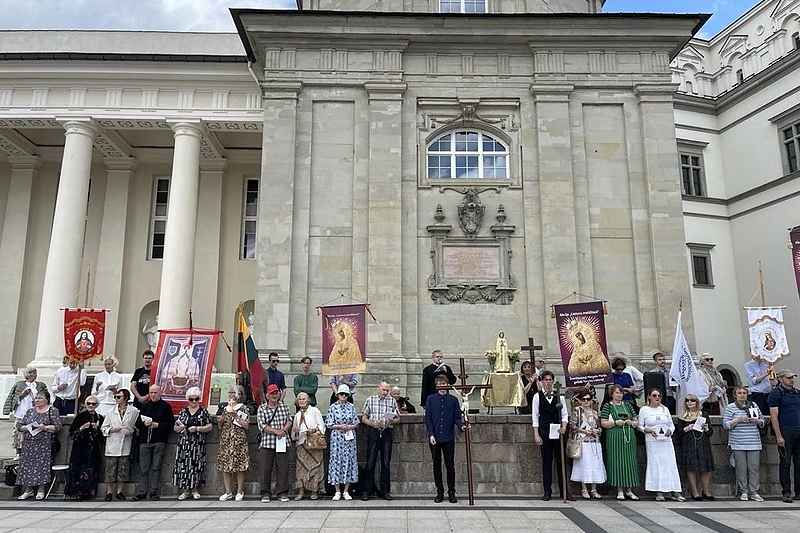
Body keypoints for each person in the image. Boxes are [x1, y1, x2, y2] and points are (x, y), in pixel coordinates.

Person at [531, 370, 573, 501]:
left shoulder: (559, 396)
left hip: (558, 432)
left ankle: (564, 491)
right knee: (547, 462)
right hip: (544, 431)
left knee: (561, 461)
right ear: (542, 382)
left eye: (550, 380)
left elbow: (565, 414)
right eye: (546, 380)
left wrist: (564, 427)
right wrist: (536, 434)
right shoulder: (537, 397)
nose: (548, 382)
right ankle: (547, 491)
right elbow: (535, 417)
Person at [425, 373, 466, 503]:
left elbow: (456, 418)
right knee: (436, 465)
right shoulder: (431, 399)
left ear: (448, 385)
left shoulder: (453, 400)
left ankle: (451, 491)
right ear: (436, 385)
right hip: (435, 437)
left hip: (448, 437)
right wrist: (431, 434)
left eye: (444, 384)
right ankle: (440, 491)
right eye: (440, 384)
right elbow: (428, 419)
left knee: (450, 465)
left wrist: (462, 426)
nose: (442, 386)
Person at [638, 388, 685, 501]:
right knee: (655, 464)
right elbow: (640, 426)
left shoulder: (665, 409)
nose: (657, 398)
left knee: (669, 464)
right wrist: (648, 430)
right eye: (654, 395)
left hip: (666, 441)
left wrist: (670, 430)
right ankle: (658, 491)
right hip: (653, 441)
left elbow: (671, 425)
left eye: (659, 396)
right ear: (649, 397)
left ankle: (674, 490)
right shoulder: (644, 410)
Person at [15, 392, 62, 500]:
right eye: (36, 398)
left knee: (42, 466)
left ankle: (41, 489)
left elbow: (58, 426)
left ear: (46, 400)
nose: (37, 400)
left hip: (44, 443)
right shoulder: (30, 411)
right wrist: (25, 428)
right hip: (29, 443)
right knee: (28, 466)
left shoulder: (52, 410)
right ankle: (28, 489)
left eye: (40, 398)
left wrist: (45, 427)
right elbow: (20, 425)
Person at [132, 385, 174, 501]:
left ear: (160, 393)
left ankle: (154, 491)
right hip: (145, 440)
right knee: (143, 468)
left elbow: (171, 424)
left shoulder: (165, 407)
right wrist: (144, 424)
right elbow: (137, 424)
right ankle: (142, 491)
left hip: (159, 440)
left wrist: (158, 425)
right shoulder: (145, 406)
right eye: (151, 393)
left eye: (155, 392)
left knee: (156, 467)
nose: (153, 395)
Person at [723, 386, 765, 501]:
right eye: (739, 393)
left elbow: (763, 421)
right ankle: (744, 491)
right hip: (738, 442)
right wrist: (736, 420)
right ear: (735, 395)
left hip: (753, 441)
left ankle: (754, 491)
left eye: (744, 393)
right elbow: (725, 424)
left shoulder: (754, 405)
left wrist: (758, 421)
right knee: (741, 467)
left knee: (754, 467)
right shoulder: (730, 407)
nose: (742, 395)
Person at [359, 380, 400, 501]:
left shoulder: (392, 400)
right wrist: (372, 423)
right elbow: (364, 418)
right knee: (370, 461)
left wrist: (392, 421)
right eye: (384, 390)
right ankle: (366, 490)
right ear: (378, 388)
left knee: (386, 463)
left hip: (386, 431)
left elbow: (398, 418)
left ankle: (385, 491)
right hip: (374, 431)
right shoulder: (370, 400)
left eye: (387, 390)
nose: (385, 392)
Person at [600, 384, 639, 500]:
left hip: (628, 436)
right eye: (617, 393)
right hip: (614, 436)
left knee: (630, 462)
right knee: (617, 461)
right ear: (612, 394)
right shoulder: (608, 406)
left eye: (621, 393)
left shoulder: (628, 405)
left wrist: (631, 423)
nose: (619, 395)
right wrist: (615, 422)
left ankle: (629, 489)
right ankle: (619, 489)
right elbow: (603, 423)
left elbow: (636, 421)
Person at [172, 386, 212, 500]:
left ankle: (195, 489)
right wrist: (181, 428)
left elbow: (209, 426)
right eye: (191, 399)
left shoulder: (203, 411)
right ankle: (185, 490)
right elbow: (175, 427)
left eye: (196, 399)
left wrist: (198, 429)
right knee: (183, 466)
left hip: (197, 443)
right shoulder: (183, 412)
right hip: (184, 443)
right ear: (187, 399)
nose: (194, 401)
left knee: (196, 466)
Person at [768, 368, 800, 503]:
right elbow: (774, 417)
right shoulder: (776, 393)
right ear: (780, 379)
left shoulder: (797, 393)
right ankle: (786, 492)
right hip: (786, 431)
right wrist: (779, 435)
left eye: (792, 377)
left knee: (798, 463)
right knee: (785, 462)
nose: (791, 380)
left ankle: (798, 491)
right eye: (788, 377)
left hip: (798, 430)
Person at [257, 383, 293, 503]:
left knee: (283, 468)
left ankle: (282, 492)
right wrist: (276, 431)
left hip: (282, 441)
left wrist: (283, 430)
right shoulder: (262, 408)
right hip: (267, 443)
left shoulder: (284, 406)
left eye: (276, 393)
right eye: (272, 393)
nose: (274, 395)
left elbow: (289, 420)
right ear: (267, 395)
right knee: (265, 469)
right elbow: (262, 425)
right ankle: (265, 493)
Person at [101, 388, 138, 501]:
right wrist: (111, 430)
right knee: (110, 470)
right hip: (113, 443)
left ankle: (119, 491)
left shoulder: (134, 411)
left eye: (119, 397)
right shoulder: (111, 412)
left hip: (125, 443)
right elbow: (103, 428)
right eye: (116, 397)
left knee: (123, 469)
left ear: (125, 398)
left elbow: (137, 426)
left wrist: (132, 431)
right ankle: (109, 492)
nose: (117, 399)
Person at [3, 366, 48, 459]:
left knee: (33, 432)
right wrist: (22, 395)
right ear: (28, 375)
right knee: (18, 433)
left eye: (36, 372)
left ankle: (31, 452)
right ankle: (18, 453)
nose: (36, 375)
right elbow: (14, 398)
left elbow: (46, 397)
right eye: (33, 373)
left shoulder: (40, 385)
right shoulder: (19, 385)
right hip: (21, 412)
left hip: (35, 412)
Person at [65, 395, 104, 500]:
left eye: (93, 404)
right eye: (89, 403)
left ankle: (88, 493)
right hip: (80, 448)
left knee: (91, 470)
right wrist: (82, 428)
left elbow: (102, 437)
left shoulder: (99, 417)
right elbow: (72, 434)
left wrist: (97, 429)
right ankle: (77, 492)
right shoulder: (80, 416)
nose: (91, 406)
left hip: (93, 449)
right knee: (78, 470)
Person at [676, 393, 714, 500]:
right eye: (687, 400)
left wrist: (706, 428)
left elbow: (710, 432)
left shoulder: (704, 414)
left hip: (702, 442)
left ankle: (706, 491)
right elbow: (679, 432)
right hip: (689, 443)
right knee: (691, 468)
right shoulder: (682, 415)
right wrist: (688, 428)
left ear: (697, 402)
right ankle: (694, 492)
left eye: (692, 400)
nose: (689, 402)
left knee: (705, 468)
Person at [568, 389, 606, 499]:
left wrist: (596, 431)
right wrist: (583, 431)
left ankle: (594, 489)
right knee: (584, 465)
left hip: (594, 442)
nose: (586, 401)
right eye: (583, 399)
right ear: (580, 401)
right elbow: (572, 426)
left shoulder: (594, 412)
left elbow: (599, 427)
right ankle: (584, 489)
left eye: (588, 399)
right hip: (582, 441)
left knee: (595, 465)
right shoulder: (577, 411)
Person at [216, 385, 251, 502]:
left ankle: (240, 491)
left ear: (238, 395)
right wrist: (220, 422)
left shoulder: (243, 408)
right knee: (226, 467)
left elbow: (246, 425)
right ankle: (228, 491)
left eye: (233, 392)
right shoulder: (225, 408)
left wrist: (236, 417)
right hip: (226, 440)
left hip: (239, 440)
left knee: (240, 466)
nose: (230, 394)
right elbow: (221, 427)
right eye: (230, 392)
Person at [326, 383, 359, 501]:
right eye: (341, 394)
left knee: (349, 461)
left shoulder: (351, 407)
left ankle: (346, 490)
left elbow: (356, 422)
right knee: (336, 461)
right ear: (337, 395)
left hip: (349, 438)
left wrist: (349, 427)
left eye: (345, 394)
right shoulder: (333, 407)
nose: (343, 396)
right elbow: (329, 423)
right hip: (337, 438)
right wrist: (339, 426)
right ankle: (337, 490)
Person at [292, 392, 325, 500]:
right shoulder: (297, 415)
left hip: (314, 443)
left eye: (304, 399)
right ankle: (301, 491)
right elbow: (293, 434)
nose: (301, 401)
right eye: (300, 399)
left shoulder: (315, 411)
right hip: (302, 444)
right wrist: (296, 432)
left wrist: (314, 430)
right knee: (300, 469)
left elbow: (322, 426)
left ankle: (314, 491)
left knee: (315, 467)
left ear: (308, 400)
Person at [745, 354, 774, 420]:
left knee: (771, 416)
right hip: (758, 394)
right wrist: (766, 374)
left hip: (769, 393)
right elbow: (754, 381)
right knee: (760, 416)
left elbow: (772, 379)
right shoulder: (748, 365)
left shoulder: (767, 363)